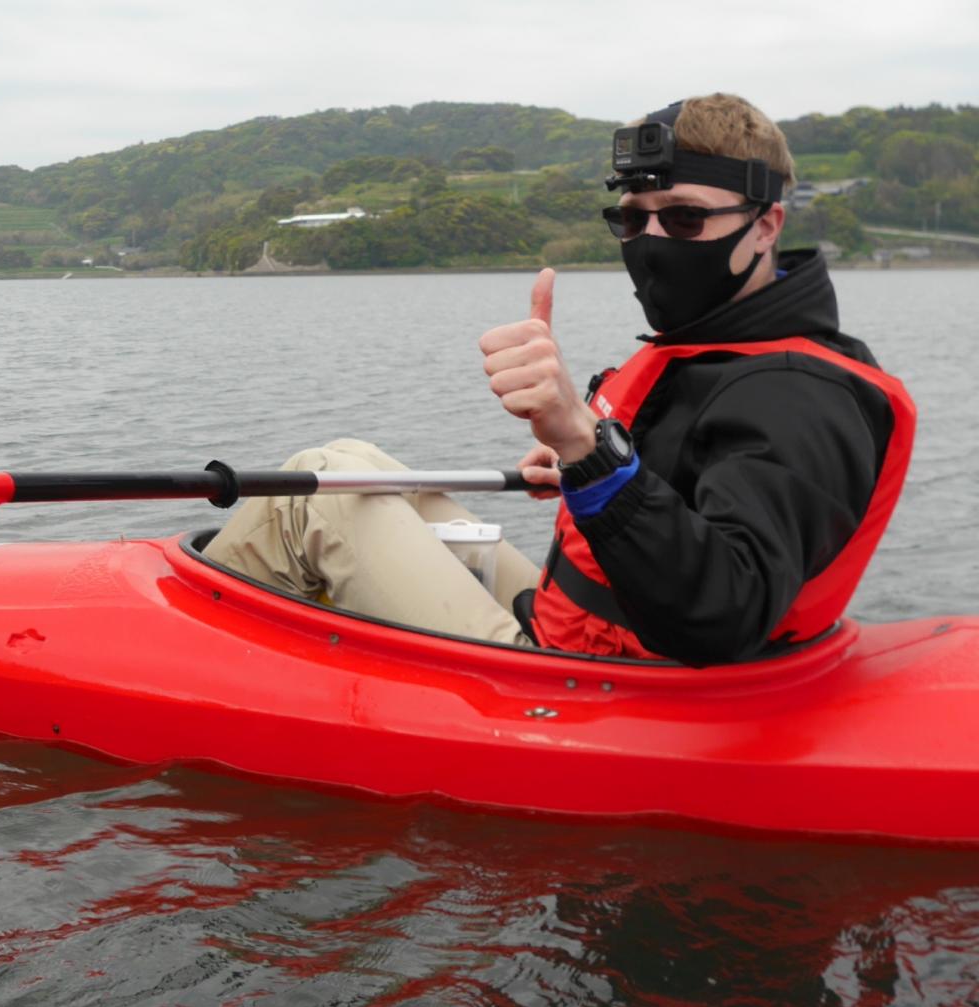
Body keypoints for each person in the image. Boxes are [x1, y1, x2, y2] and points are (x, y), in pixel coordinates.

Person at [205, 94, 916, 666]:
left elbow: (721, 611)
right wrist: (594, 467)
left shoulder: (801, 392)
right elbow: (700, 479)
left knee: (312, 495)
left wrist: (587, 449)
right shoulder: (726, 350)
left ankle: (206, 658)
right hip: (580, 626)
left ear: (766, 227)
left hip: (601, 679)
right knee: (353, 463)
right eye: (632, 219)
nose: (652, 242)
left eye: (686, 218)